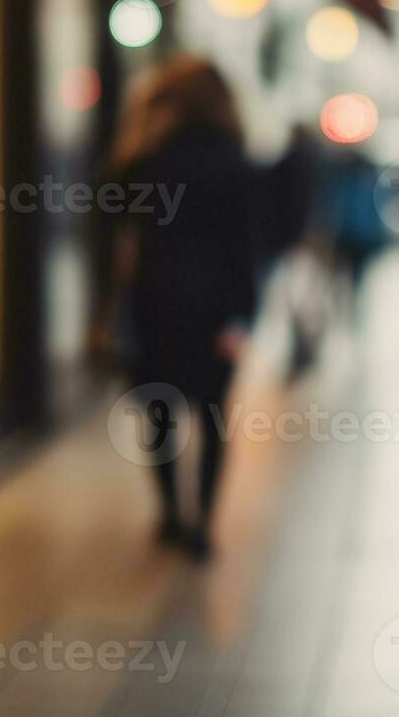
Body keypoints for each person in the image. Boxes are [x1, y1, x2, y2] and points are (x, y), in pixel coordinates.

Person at [106, 54, 257, 562]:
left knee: (161, 414)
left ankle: (171, 514)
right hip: (216, 310)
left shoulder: (147, 157)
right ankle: (204, 525)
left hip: (156, 304)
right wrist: (242, 316)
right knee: (213, 417)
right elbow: (244, 248)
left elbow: (110, 218)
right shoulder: (231, 158)